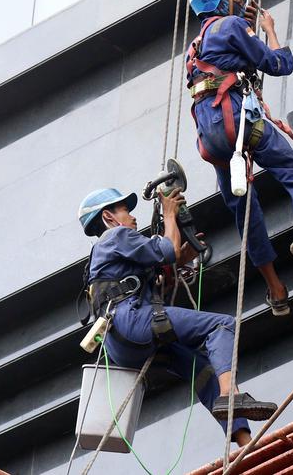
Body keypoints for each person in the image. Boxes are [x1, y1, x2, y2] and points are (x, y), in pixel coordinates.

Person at [185, 0, 293, 317]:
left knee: (245, 211)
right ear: (224, 3)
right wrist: (268, 30)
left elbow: (226, 62)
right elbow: (278, 64)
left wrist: (247, 29)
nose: (241, 3)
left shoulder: (196, 45)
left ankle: (275, 288)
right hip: (240, 122)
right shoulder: (231, 26)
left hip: (212, 138)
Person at [78, 187, 277, 446]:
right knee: (221, 325)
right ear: (109, 217)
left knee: (203, 369)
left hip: (122, 346)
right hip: (132, 322)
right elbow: (167, 249)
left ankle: (244, 441)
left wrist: (180, 260)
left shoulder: (110, 254)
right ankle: (230, 397)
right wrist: (170, 215)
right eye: (126, 211)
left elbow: (156, 278)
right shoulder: (116, 236)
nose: (133, 218)